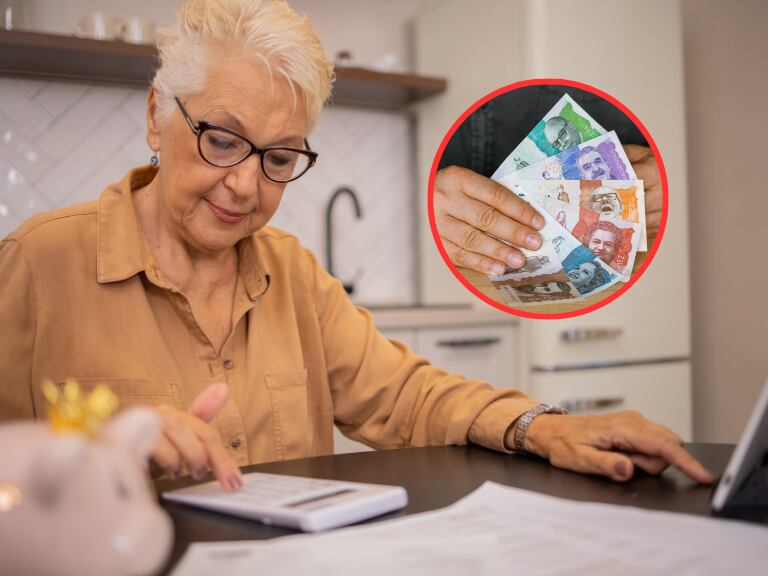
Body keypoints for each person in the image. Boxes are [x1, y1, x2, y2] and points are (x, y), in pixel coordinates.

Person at [0, 0, 712, 489]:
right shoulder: (38, 265)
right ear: (158, 113)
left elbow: (408, 396)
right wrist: (95, 449)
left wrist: (543, 428)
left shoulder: (293, 275)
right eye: (222, 140)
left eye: (279, 158)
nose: (246, 185)